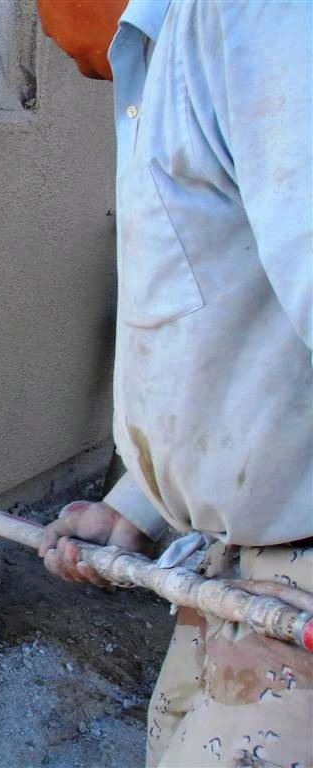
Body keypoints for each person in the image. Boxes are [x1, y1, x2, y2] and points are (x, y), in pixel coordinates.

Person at [32, 1, 313, 766]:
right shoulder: (167, 55)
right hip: (236, 561)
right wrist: (140, 504)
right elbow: (241, 328)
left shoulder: (262, 19)